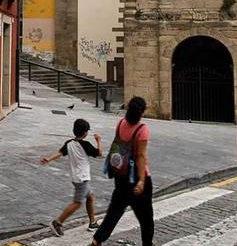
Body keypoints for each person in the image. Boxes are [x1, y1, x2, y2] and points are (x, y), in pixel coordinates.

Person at [91, 97, 153, 246]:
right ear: (141, 113)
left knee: (115, 210)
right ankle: (147, 243)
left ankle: (97, 239)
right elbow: (141, 156)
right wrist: (141, 180)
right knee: (145, 216)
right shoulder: (142, 129)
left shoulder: (121, 123)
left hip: (120, 175)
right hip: (136, 176)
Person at [40, 119, 102, 235]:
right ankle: (57, 222)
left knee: (90, 197)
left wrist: (48, 158)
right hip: (82, 178)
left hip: (76, 177)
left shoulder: (69, 143)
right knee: (77, 203)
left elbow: (60, 152)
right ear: (85, 133)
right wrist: (99, 140)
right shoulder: (86, 145)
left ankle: (92, 222)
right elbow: (99, 154)